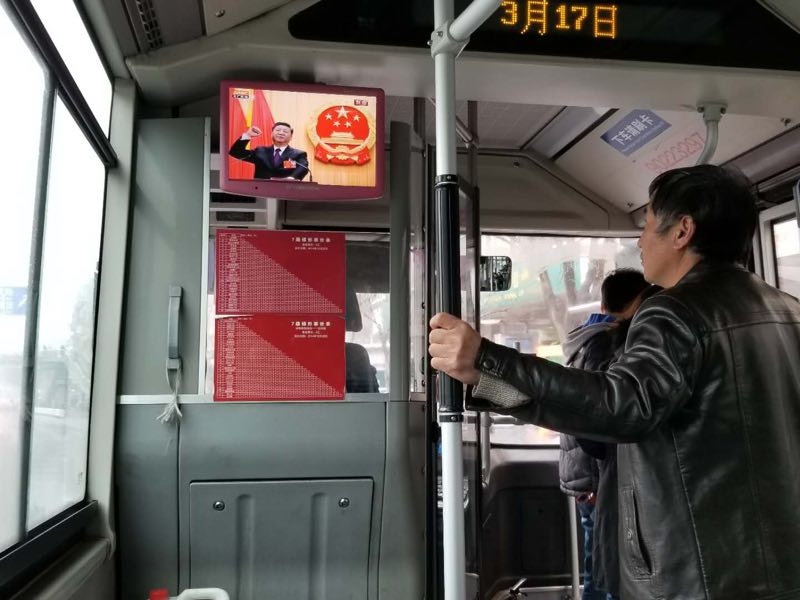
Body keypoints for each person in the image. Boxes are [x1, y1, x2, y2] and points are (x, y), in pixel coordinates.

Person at [429, 165, 800, 599]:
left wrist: (487, 361)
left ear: (682, 231)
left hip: (694, 571)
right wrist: (488, 380)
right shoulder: (788, 309)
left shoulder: (673, 312)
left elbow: (621, 406)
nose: (640, 242)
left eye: (646, 225)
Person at [559, 269, 651, 600]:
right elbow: (596, 422)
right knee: (609, 565)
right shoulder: (610, 346)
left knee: (597, 557)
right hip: (600, 476)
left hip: (586, 473)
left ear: (603, 302)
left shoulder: (584, 338)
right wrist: (601, 481)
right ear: (639, 301)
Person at [228, 122, 309, 180]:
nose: (281, 133)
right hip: (261, 192)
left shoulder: (298, 154)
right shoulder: (260, 151)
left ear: (291, 137)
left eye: (285, 131)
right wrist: (248, 135)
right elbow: (235, 152)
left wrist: (292, 178)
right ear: (271, 134)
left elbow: (303, 168)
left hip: (285, 191)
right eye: (277, 130)